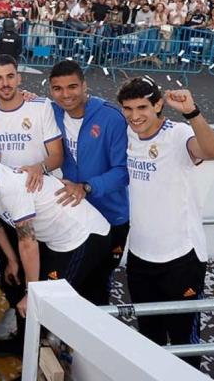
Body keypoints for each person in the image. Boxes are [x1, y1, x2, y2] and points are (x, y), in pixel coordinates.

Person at [116, 78, 214, 368]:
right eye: (128, 109)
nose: (135, 115)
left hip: (181, 257)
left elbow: (213, 152)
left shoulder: (178, 133)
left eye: (142, 107)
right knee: (149, 336)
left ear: (158, 105)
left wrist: (192, 111)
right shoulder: (126, 133)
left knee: (184, 340)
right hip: (139, 256)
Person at [0, 141, 110, 324]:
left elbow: (28, 243)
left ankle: (56, 346)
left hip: (84, 235)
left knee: (46, 302)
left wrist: (31, 293)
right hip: (57, 240)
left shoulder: (11, 186)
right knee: (57, 296)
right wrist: (11, 259)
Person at [0, 54, 64, 342]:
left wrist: (38, 168)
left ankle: (44, 327)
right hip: (6, 209)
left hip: (41, 207)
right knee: (10, 265)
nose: (5, 83)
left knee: (44, 271)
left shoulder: (40, 107)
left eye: (10, 76)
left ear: (19, 77)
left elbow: (56, 155)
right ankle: (18, 317)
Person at [47, 60, 129, 307]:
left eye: (72, 87)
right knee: (72, 281)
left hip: (111, 216)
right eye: (58, 89)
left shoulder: (110, 117)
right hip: (74, 214)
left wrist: (86, 186)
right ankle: (62, 338)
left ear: (84, 86)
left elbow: (124, 171)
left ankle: (91, 341)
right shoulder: (50, 112)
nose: (66, 94)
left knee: (97, 284)